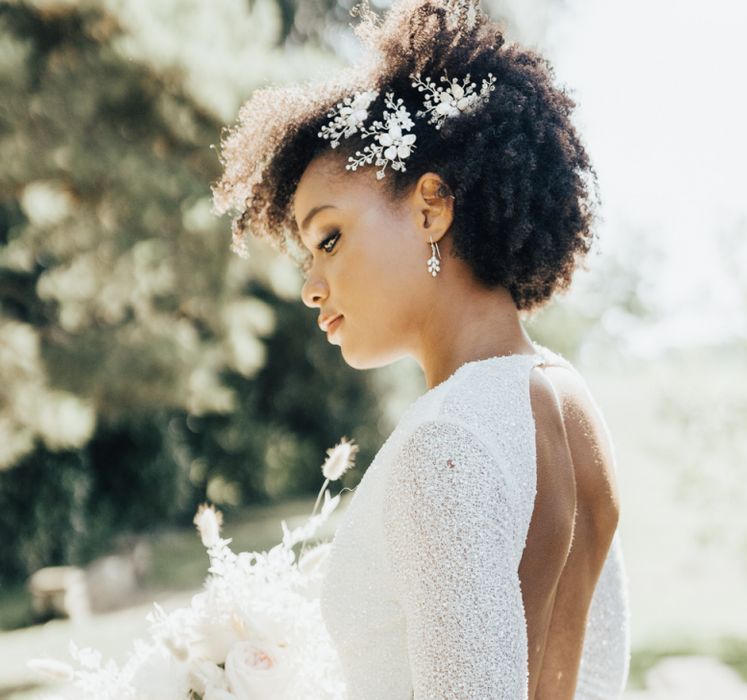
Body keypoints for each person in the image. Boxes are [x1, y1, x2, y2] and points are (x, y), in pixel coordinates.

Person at [211, 1, 631, 697]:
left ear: (431, 206)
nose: (312, 287)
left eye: (330, 238)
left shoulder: (448, 441)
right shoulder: (568, 400)